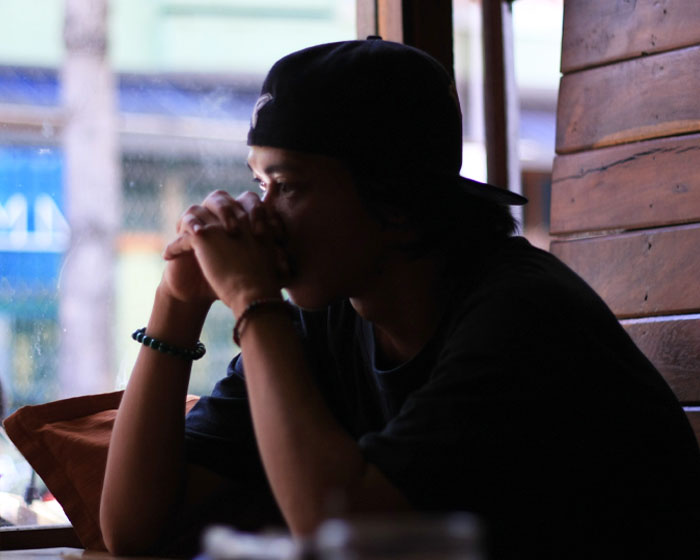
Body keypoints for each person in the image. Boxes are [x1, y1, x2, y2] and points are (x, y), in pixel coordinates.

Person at [100, 38, 700, 558]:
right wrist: (176, 303)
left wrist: (254, 300)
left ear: (394, 201)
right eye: (258, 183)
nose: (260, 216)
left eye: (287, 186)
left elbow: (347, 536)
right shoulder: (329, 318)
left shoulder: (522, 317)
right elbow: (132, 528)